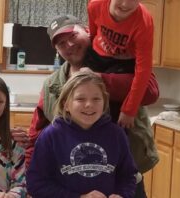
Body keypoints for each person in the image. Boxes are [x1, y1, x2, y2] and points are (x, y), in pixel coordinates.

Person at [19, 14, 159, 198]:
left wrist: (99, 79)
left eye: (73, 36)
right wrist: (31, 184)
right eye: (61, 43)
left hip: (124, 181)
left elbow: (150, 91)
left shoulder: (117, 59)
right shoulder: (52, 85)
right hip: (69, 186)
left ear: (87, 30)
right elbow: (36, 135)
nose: (69, 45)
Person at [26, 71, 138, 198]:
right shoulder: (51, 135)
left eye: (96, 99)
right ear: (66, 104)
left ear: (104, 102)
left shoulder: (117, 134)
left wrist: (122, 195)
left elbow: (128, 177)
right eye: (80, 99)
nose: (89, 104)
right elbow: (36, 184)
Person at [86, 0, 156, 129]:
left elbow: (143, 69)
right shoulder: (95, 5)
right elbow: (93, 33)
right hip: (97, 56)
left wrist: (129, 110)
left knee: (116, 117)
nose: (125, 5)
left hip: (123, 63)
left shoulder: (144, 22)